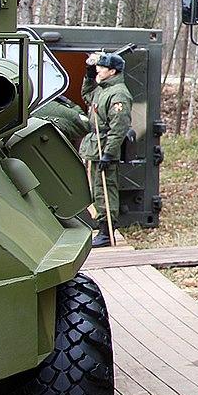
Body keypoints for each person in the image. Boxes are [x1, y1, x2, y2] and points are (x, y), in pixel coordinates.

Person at [78, 51, 132, 248]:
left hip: (104, 147)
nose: (98, 70)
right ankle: (102, 227)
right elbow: (87, 95)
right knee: (96, 189)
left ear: (113, 71)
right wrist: (89, 75)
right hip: (95, 146)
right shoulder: (103, 89)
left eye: (102, 67)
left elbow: (119, 128)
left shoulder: (119, 94)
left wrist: (109, 153)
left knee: (105, 190)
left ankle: (107, 231)